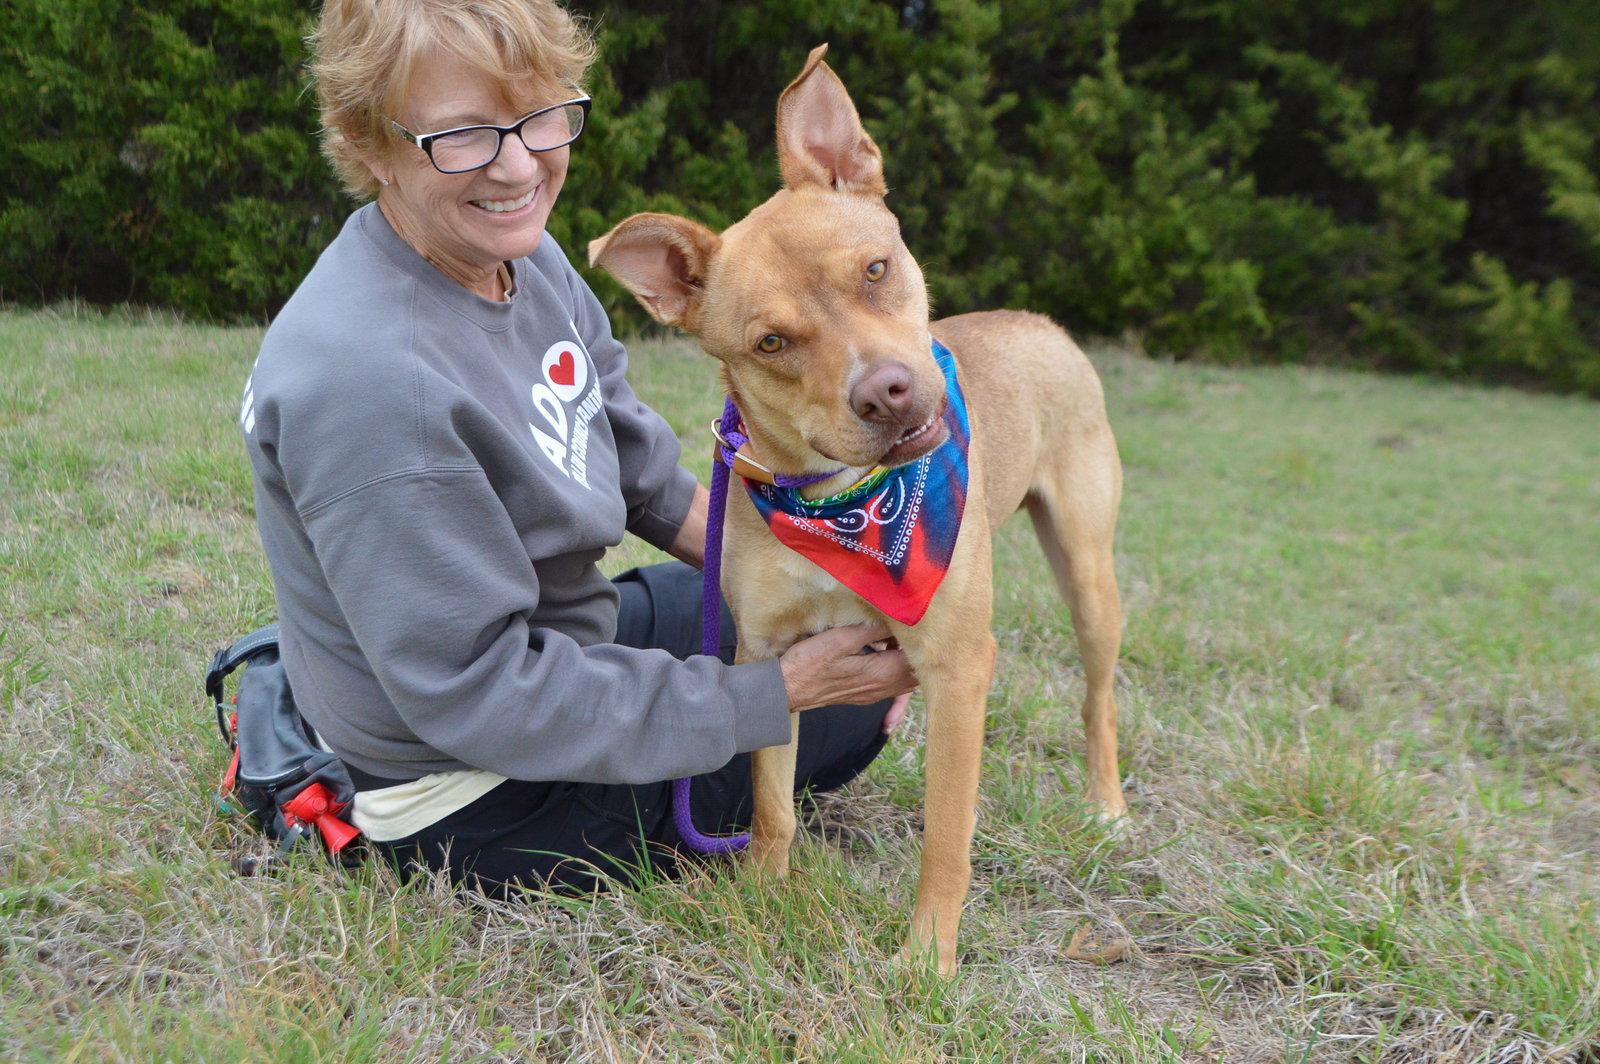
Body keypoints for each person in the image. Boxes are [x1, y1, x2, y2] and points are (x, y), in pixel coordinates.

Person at [237, 0, 917, 895]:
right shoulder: (372, 385)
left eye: (539, 117)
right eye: (464, 135)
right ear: (370, 144)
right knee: (853, 708)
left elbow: (640, 476)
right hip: (472, 789)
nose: (518, 166)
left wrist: (816, 561)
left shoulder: (517, 256)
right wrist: (781, 694)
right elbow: (482, 696)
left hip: (553, 638)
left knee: (830, 614)